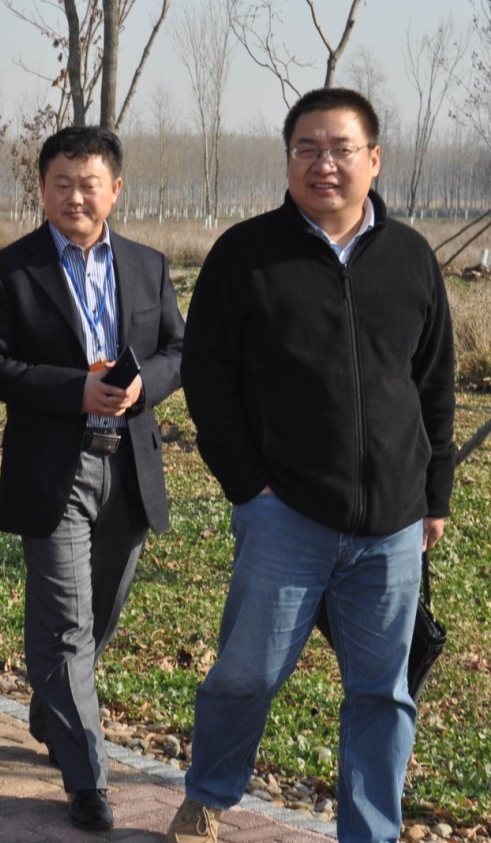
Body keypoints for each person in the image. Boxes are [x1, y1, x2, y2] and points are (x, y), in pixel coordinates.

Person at [167, 88, 455, 843]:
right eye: (307, 149)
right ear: (288, 159)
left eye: (340, 149)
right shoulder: (246, 255)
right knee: (247, 674)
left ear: (374, 159)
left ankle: (370, 830)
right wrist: (249, 486)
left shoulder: (411, 257)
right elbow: (208, 377)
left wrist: (435, 494)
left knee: (382, 692)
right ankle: (207, 795)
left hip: (392, 523)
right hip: (285, 515)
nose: (323, 164)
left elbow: (432, 384)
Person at [0, 126, 184, 832]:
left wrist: (142, 386)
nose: (75, 197)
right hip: (51, 466)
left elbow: (178, 350)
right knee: (65, 621)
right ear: (41, 188)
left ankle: (51, 705)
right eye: (61, 183)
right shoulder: (10, 270)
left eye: (89, 184)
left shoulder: (148, 266)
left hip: (129, 464)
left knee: (101, 612)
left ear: (114, 190)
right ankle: (87, 778)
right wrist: (74, 389)